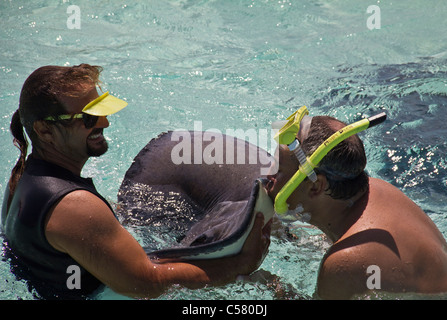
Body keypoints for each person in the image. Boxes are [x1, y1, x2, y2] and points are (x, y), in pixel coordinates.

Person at [1, 64, 271, 299]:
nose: (105, 122)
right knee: (269, 286)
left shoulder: (23, 178)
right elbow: (147, 283)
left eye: (103, 110)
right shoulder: (74, 207)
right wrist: (241, 263)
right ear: (45, 130)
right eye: (89, 117)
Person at [266, 114, 447, 299]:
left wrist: (267, 284)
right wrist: (288, 236)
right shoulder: (378, 189)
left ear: (315, 186)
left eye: (278, 169)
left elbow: (357, 261)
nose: (268, 175)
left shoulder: (343, 264)